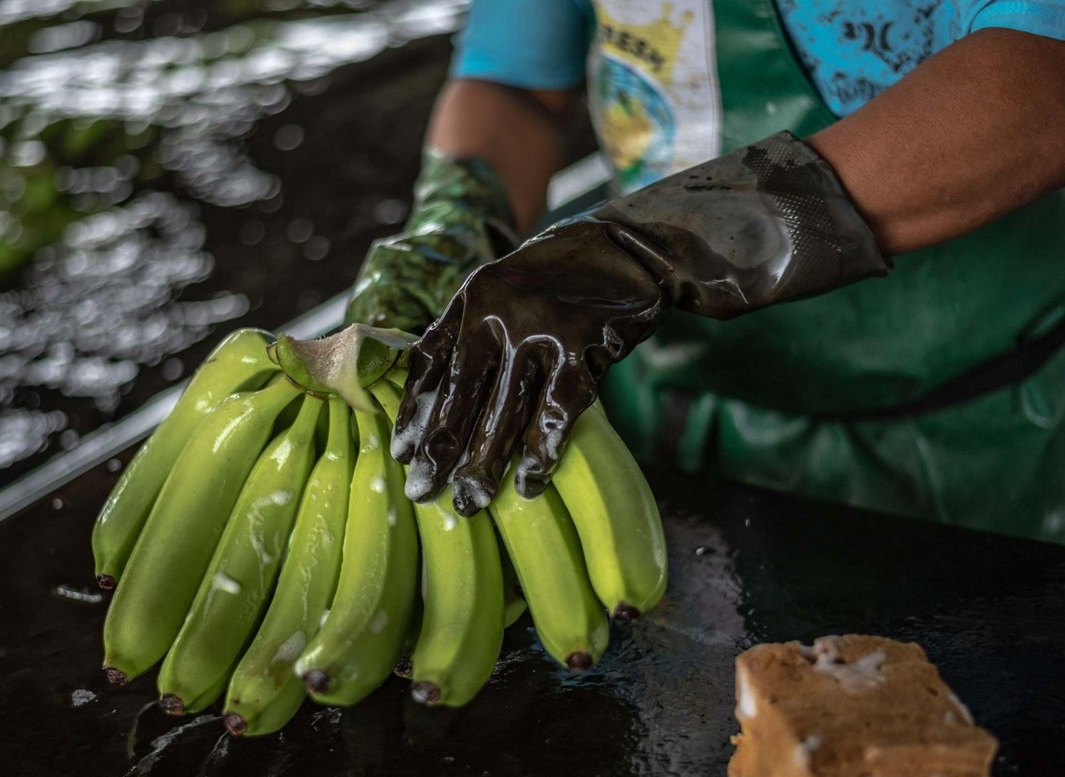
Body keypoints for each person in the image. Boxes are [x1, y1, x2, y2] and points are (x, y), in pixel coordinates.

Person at [346, 0, 1065, 545]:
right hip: (679, 402)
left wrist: (656, 245)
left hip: (984, 430)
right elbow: (515, 85)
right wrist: (457, 222)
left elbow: (1040, 81)